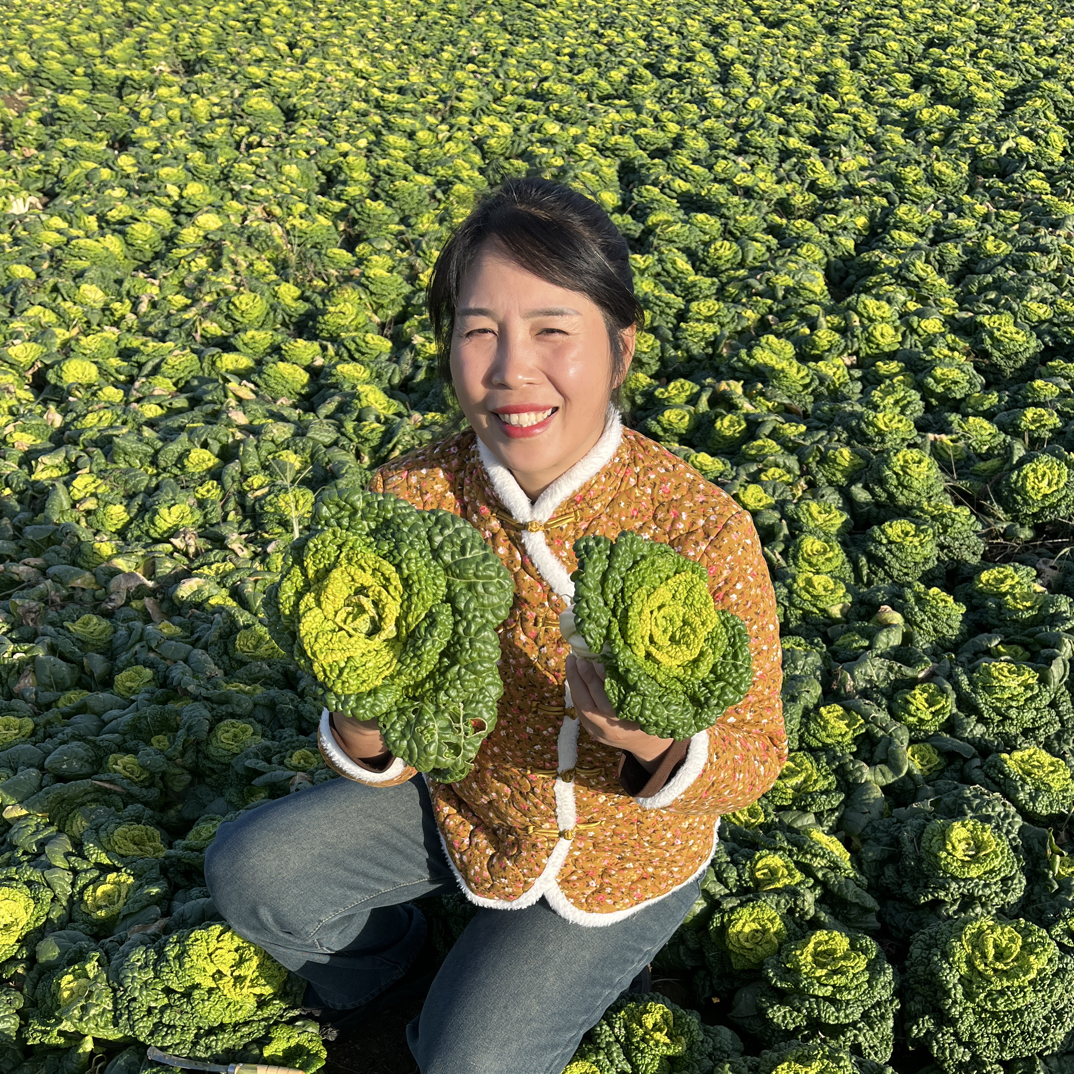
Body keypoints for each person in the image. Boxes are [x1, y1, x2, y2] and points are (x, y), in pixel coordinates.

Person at [204, 176, 786, 1074]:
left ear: (621, 348)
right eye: (479, 331)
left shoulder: (699, 523)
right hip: (465, 806)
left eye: (555, 330)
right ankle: (380, 981)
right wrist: (361, 726)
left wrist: (656, 744)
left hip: (625, 848)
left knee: (469, 1062)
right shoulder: (408, 500)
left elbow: (753, 752)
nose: (514, 369)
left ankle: (485, 1006)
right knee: (253, 872)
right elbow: (386, 717)